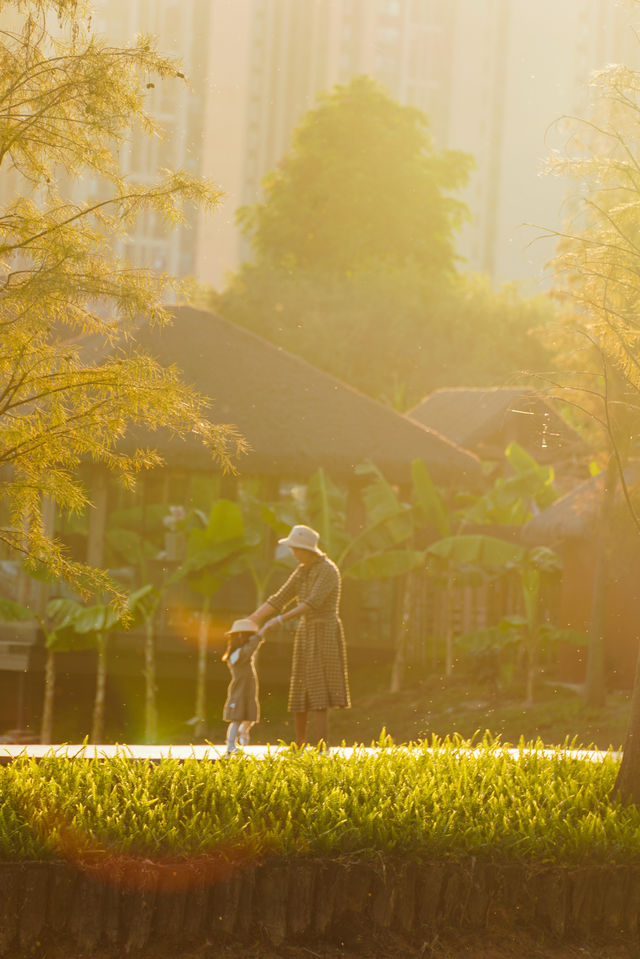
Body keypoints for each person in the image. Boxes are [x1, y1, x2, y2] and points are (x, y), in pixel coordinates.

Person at [249, 524, 350, 748]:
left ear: (306, 549)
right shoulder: (302, 570)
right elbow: (280, 598)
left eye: (295, 548)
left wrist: (281, 620)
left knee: (319, 689)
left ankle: (323, 746)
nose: (293, 553)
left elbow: (312, 603)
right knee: (300, 689)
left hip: (324, 631)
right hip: (306, 632)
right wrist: (252, 619)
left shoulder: (327, 570)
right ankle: (300, 744)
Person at [221, 618, 264, 756]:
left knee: (250, 717)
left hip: (248, 691)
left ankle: (243, 732)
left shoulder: (241, 652)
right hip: (239, 691)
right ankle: (230, 745)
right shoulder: (237, 654)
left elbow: (250, 647)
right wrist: (260, 634)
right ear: (241, 636)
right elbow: (250, 648)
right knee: (236, 718)